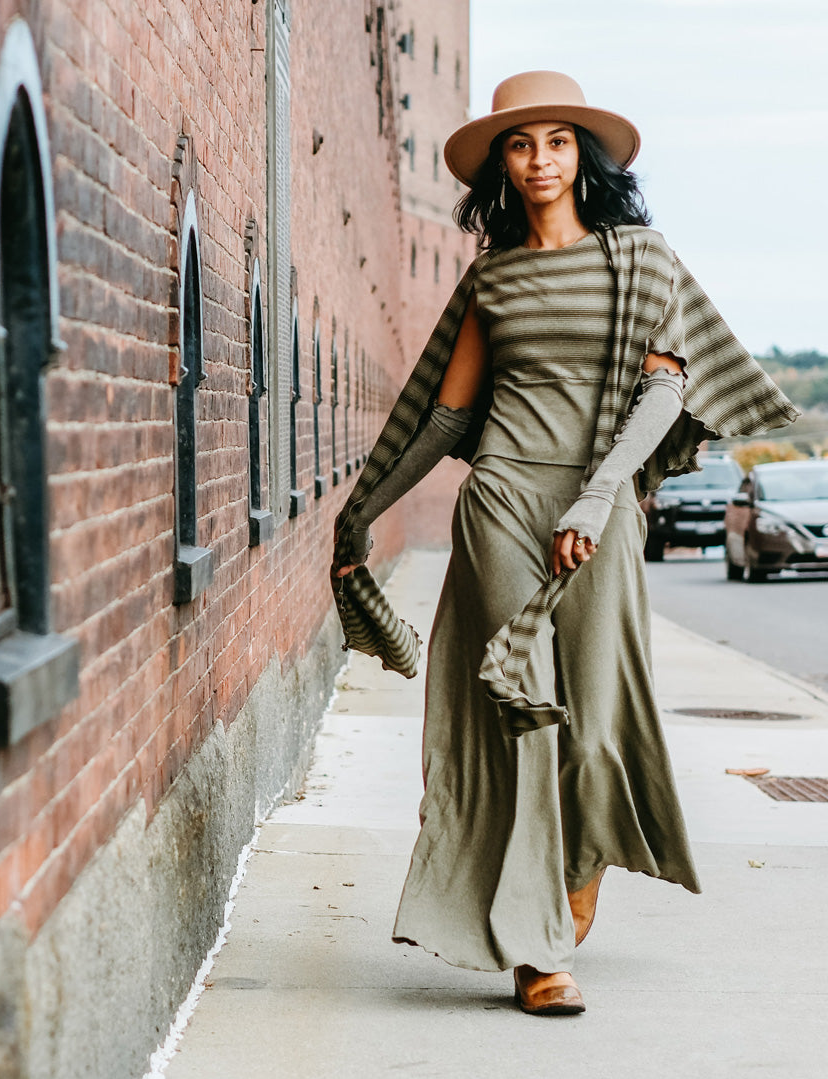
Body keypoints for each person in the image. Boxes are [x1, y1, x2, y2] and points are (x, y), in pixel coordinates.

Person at [329, 71, 798, 1016]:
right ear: (500, 166)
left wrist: (595, 498)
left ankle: (579, 867)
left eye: (556, 140)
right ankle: (538, 948)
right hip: (503, 500)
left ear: (583, 155)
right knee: (521, 714)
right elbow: (447, 413)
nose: (538, 159)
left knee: (599, 711)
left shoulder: (643, 261)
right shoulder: (492, 277)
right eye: (519, 144)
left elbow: (664, 392)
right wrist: (364, 506)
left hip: (603, 506)